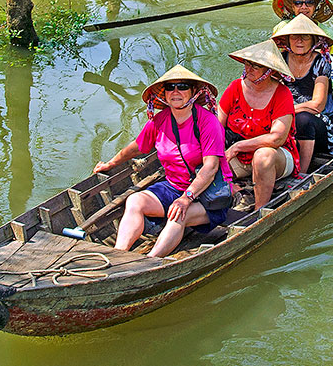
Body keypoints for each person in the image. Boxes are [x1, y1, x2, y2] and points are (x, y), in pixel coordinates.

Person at [93, 65, 230, 257]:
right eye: (170, 87)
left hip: (207, 195)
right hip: (173, 188)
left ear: (192, 92)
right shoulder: (159, 121)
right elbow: (136, 147)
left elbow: (211, 167)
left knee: (178, 214)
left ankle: (150, 262)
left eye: (182, 86)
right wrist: (111, 163)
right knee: (135, 201)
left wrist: (186, 198)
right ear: (163, 94)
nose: (175, 92)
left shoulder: (208, 122)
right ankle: (118, 255)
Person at [219, 39, 299, 210]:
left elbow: (277, 138)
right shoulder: (235, 87)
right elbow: (217, 125)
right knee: (202, 159)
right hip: (239, 157)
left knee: (263, 156)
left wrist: (239, 146)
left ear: (269, 71)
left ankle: (259, 211)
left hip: (275, 156)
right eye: (248, 63)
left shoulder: (282, 94)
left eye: (256, 66)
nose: (249, 69)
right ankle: (235, 191)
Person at [272, 14, 333, 170]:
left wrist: (284, 111)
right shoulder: (280, 61)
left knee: (303, 119)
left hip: (321, 125)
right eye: (295, 37)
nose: (299, 41)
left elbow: (317, 105)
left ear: (313, 41)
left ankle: (302, 172)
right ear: (288, 40)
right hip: (285, 120)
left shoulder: (320, 62)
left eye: (305, 37)